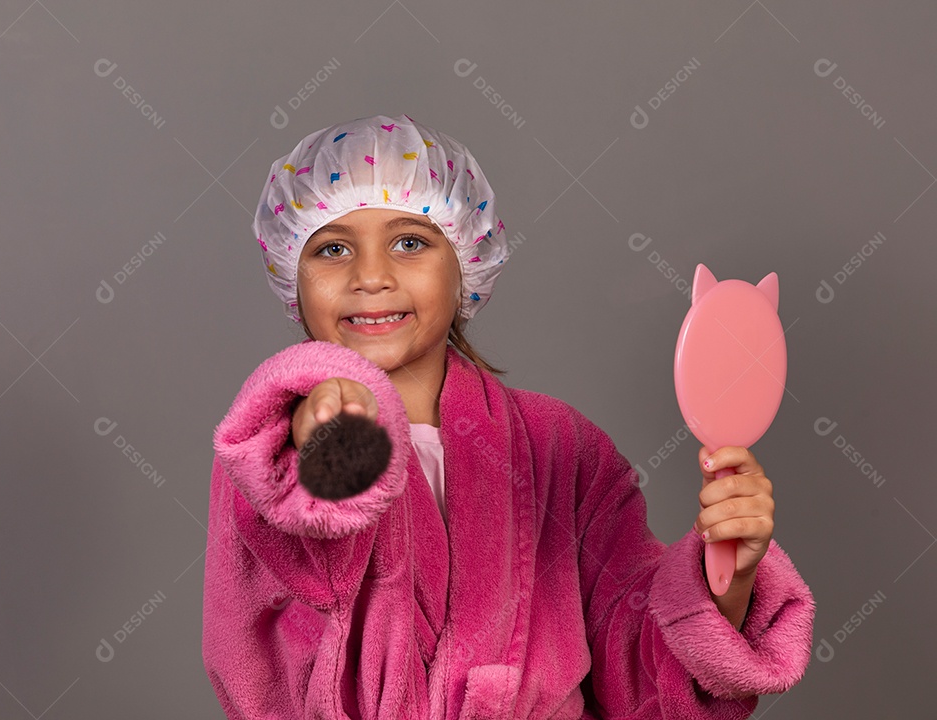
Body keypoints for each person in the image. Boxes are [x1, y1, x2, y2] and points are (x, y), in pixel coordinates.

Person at [201, 113, 815, 719]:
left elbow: (640, 680)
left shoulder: (559, 448)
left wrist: (725, 584)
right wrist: (323, 463)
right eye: (333, 248)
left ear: (465, 259)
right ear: (292, 273)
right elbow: (260, 651)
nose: (370, 277)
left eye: (409, 242)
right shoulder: (269, 451)